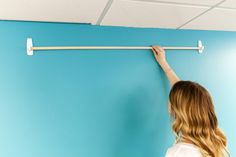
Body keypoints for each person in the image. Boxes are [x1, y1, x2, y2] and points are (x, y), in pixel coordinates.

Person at [151, 46, 229, 157]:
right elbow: (185, 94)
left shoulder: (178, 153)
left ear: (176, 109)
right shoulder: (213, 143)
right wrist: (164, 64)